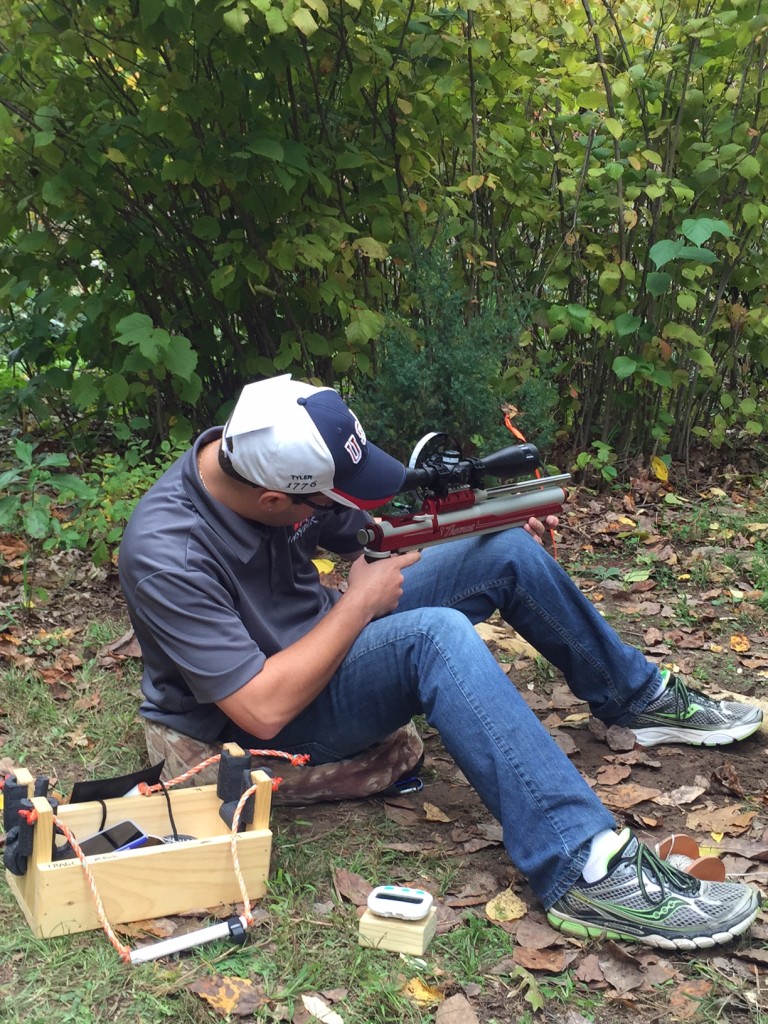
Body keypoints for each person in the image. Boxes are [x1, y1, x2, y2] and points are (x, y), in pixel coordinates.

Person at [119, 374, 763, 949]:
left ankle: (635, 698)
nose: (345, 507)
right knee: (435, 636)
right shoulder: (167, 555)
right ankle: (583, 864)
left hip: (319, 639)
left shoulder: (272, 468)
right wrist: (358, 607)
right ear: (272, 502)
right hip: (256, 720)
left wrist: (489, 524)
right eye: (330, 500)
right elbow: (261, 710)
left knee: (503, 549)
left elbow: (371, 533)